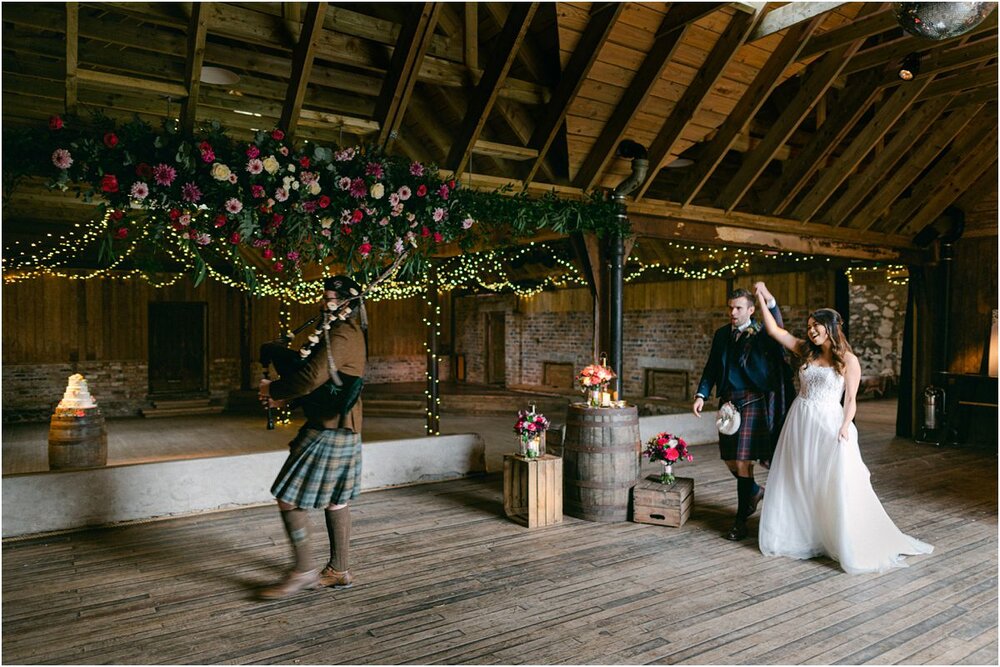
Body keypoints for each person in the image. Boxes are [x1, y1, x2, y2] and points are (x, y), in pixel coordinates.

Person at [753, 283, 933, 574]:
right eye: (810, 326)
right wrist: (760, 296)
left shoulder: (848, 360)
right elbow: (775, 331)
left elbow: (850, 400)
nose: (811, 331)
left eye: (817, 326)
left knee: (832, 481)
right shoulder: (806, 351)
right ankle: (803, 533)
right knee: (799, 476)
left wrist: (845, 426)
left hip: (829, 423)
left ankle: (838, 534)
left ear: (832, 328)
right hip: (800, 420)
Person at [257, 275, 368, 599]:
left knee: (287, 496)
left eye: (331, 298)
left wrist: (274, 390)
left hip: (330, 429)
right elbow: (319, 377)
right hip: (341, 426)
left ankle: (304, 571)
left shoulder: (343, 334)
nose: (325, 302)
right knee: (337, 499)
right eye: (324, 296)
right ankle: (339, 570)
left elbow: (309, 378)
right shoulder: (344, 331)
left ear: (348, 301)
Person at [693, 285, 794, 541]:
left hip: (751, 402)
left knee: (742, 461)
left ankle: (740, 520)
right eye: (730, 307)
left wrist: (769, 300)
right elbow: (712, 367)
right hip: (728, 403)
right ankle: (753, 490)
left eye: (738, 308)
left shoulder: (760, 333)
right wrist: (701, 394)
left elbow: (777, 323)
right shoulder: (721, 335)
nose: (733, 312)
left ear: (751, 309)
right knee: (729, 458)